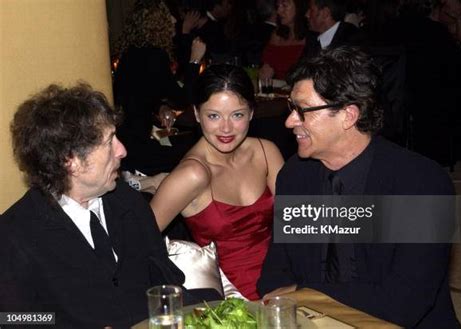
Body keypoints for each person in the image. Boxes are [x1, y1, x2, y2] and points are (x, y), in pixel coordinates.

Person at [257, 46, 461, 328]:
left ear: (348, 116)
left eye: (302, 111)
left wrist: (307, 295)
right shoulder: (296, 175)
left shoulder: (421, 183)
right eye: (292, 108)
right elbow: (275, 273)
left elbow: (405, 303)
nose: (290, 121)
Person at [0, 83, 220, 329]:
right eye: (109, 142)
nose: (122, 150)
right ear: (70, 161)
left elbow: (167, 284)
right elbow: (13, 319)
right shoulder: (15, 235)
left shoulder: (127, 201)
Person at [150, 64, 284, 300]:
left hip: (284, 287)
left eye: (237, 115)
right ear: (197, 114)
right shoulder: (192, 174)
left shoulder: (266, 152)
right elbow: (137, 241)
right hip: (233, 305)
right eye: (213, 115)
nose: (226, 128)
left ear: (252, 112)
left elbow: (299, 224)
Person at [112, 0, 206, 173]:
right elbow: (183, 99)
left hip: (126, 139)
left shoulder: (131, 52)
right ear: (156, 24)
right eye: (167, 16)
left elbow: (138, 92)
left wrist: (159, 106)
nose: (173, 20)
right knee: (196, 156)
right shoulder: (155, 55)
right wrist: (195, 61)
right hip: (136, 146)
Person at [259, 0, 308, 80]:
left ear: (299, 7)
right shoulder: (277, 35)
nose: (278, 11)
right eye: (278, 6)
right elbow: (266, 70)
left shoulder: (311, 38)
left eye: (284, 6)